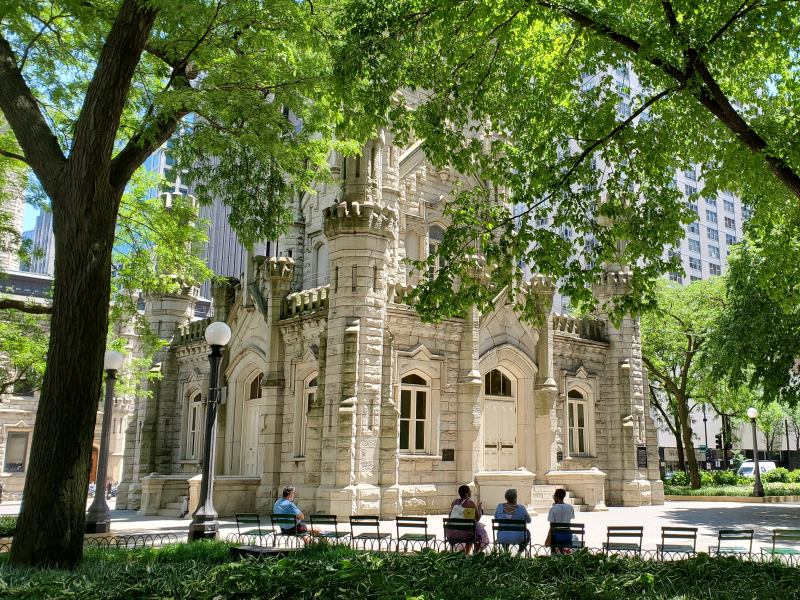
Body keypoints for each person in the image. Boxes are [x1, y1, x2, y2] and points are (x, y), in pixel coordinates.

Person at [446, 484, 489, 554]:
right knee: (478, 531)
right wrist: (479, 508)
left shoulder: (454, 502)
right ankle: (476, 549)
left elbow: (450, 516)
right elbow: (477, 518)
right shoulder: (470, 503)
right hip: (466, 534)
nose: (471, 492)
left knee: (471, 529)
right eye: (470, 491)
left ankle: (466, 554)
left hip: (452, 533)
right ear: (466, 493)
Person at [545, 488, 575, 553]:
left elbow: (551, 526)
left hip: (557, 537)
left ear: (556, 497)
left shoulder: (553, 509)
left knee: (552, 536)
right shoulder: (570, 507)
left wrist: (547, 539)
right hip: (568, 536)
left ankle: (554, 554)